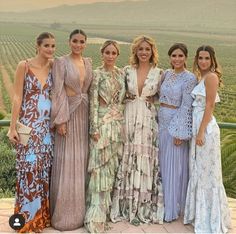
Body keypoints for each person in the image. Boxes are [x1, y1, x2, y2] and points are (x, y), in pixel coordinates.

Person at [110, 35, 164, 225]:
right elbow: (118, 95)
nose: (143, 52)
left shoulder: (159, 73)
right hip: (130, 117)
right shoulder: (126, 71)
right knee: (128, 155)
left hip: (148, 119)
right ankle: (125, 205)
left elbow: (164, 97)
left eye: (147, 49)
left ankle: (143, 205)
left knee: (145, 159)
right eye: (140, 49)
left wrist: (154, 100)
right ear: (135, 51)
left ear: (152, 51)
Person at [7, 32, 55, 233]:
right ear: (38, 46)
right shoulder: (24, 66)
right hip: (28, 126)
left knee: (43, 173)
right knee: (28, 171)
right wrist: (12, 127)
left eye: (53, 46)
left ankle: (41, 218)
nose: (51, 50)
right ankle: (25, 219)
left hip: (46, 129)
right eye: (47, 46)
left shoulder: (54, 67)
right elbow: (17, 97)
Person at [184, 45, 231, 233]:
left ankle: (210, 216)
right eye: (201, 58)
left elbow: (210, 105)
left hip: (206, 129)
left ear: (212, 60)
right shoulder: (200, 77)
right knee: (199, 171)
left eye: (207, 58)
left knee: (207, 173)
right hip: (198, 127)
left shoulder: (211, 77)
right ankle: (200, 213)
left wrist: (201, 131)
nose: (203, 61)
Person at [50, 29, 93, 231]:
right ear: (69, 42)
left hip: (85, 115)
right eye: (75, 41)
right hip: (68, 114)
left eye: (81, 41)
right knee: (67, 161)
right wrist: (60, 120)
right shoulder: (61, 62)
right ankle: (64, 215)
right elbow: (57, 91)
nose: (78, 44)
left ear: (85, 43)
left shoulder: (89, 63)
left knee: (81, 160)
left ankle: (80, 212)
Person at [84, 40, 126, 233]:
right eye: (107, 52)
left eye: (114, 53)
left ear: (117, 54)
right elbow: (93, 102)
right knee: (99, 167)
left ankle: (107, 210)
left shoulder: (121, 73)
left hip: (117, 126)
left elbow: (123, 99)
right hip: (101, 124)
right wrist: (94, 127)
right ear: (102, 53)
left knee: (112, 167)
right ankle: (95, 215)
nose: (110, 56)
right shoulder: (97, 74)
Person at [158, 43, 197, 222]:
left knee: (174, 167)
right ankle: (163, 205)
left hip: (176, 125)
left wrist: (180, 132)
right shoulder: (166, 74)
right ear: (170, 57)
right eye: (174, 55)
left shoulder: (190, 78)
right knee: (162, 165)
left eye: (181, 55)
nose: (177, 59)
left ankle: (172, 210)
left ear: (186, 58)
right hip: (161, 123)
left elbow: (187, 106)